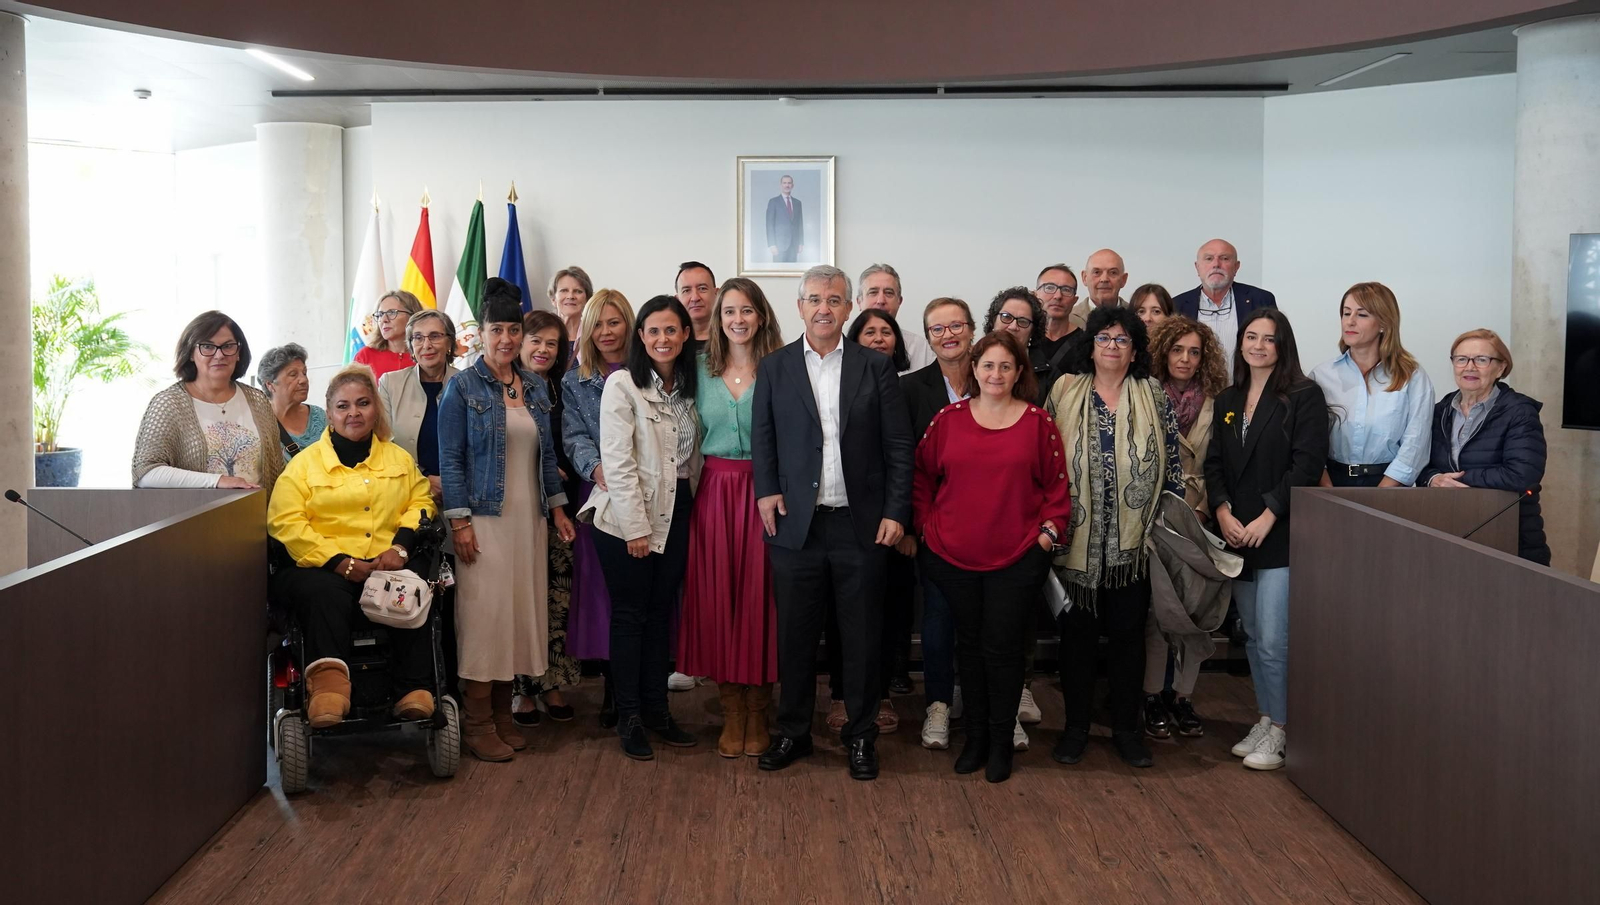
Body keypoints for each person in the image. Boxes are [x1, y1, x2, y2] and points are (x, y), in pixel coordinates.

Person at [752, 265, 914, 781]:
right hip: (795, 524)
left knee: (863, 637)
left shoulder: (875, 366)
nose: (825, 308)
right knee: (796, 636)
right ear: (799, 307)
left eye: (835, 300)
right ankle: (793, 732)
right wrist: (766, 490)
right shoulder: (774, 366)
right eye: (815, 299)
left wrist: (895, 511)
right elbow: (764, 437)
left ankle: (861, 737)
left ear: (849, 308)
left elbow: (898, 447)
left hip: (861, 525)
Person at [915, 331, 1070, 782]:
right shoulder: (948, 419)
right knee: (970, 650)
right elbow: (922, 478)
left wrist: (1046, 535)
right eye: (988, 365)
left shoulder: (1038, 423)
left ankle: (1001, 742)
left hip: (1017, 558)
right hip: (952, 556)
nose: (996, 374)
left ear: (1019, 372)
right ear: (974, 370)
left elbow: (1057, 491)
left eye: (1006, 366)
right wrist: (925, 526)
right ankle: (976, 738)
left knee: (1003, 651)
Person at [438, 281, 577, 763]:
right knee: (483, 620)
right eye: (497, 330)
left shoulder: (534, 386)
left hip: (528, 522)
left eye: (513, 330)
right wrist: (459, 524)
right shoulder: (461, 386)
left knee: (514, 618)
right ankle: (476, 724)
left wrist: (558, 508)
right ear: (481, 333)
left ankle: (499, 716)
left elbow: (545, 458)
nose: (506, 340)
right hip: (482, 520)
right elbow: (450, 459)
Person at [1046, 305, 1183, 769]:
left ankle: (1127, 730)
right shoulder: (1064, 389)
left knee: (1129, 639)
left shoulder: (1153, 393)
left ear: (1135, 349)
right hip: (1074, 544)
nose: (1111, 346)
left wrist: (1160, 528)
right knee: (1077, 642)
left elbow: (1174, 469)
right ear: (1090, 345)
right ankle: (1076, 729)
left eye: (1121, 339)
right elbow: (1045, 462)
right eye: (1103, 338)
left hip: (1135, 548)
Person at [267, 365, 437, 728]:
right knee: (323, 591)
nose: (353, 413)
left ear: (376, 408)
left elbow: (420, 501)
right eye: (343, 406)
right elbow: (285, 522)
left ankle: (413, 688)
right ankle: (329, 689)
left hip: (387, 563)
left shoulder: (398, 459)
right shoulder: (303, 466)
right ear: (328, 413)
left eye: (362, 404)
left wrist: (401, 550)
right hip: (321, 569)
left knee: (411, 583)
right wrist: (338, 562)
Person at [578, 295, 703, 761]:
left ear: (685, 335)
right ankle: (629, 716)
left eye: (671, 330)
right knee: (631, 616)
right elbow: (619, 462)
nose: (662, 339)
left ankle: (657, 710)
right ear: (641, 337)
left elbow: (691, 458)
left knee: (660, 613)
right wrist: (636, 529)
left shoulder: (692, 385)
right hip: (625, 519)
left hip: (678, 511)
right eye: (652, 331)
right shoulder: (622, 384)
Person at [1204, 308, 1329, 771]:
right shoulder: (1228, 397)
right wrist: (1221, 510)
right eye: (1250, 336)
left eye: (1268, 339)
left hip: (1278, 533)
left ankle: (1281, 728)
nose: (1257, 345)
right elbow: (1214, 463)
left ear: (1284, 345)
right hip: (1236, 532)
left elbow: (1306, 463)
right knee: (1253, 637)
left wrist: (1268, 515)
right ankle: (1265, 716)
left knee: (1275, 639)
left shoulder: (1303, 396)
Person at [679, 278, 784, 758]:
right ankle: (731, 710)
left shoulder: (784, 368)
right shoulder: (697, 370)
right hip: (715, 494)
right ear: (717, 320)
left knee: (764, 602)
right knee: (718, 598)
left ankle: (759, 710)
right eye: (728, 312)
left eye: (746, 311)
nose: (737, 320)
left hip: (769, 495)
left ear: (761, 315)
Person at [1142, 316, 1229, 739]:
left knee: (1195, 610)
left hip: (1201, 514)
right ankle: (1152, 694)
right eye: (1177, 350)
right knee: (1159, 612)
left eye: (1194, 351)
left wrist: (1206, 508)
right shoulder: (1145, 393)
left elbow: (1222, 461)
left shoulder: (1217, 399)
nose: (1186, 359)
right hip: (1158, 516)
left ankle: (1184, 696)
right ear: (1163, 352)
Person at [899, 298, 973, 750]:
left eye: (956, 326)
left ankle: (985, 703)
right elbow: (902, 463)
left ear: (970, 329)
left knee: (985, 621)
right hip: (934, 528)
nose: (948, 335)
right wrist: (910, 526)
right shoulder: (911, 390)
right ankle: (939, 704)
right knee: (939, 616)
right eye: (937, 329)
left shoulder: (995, 379)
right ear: (927, 338)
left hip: (991, 527)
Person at [562, 289, 636, 726]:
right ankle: (614, 688)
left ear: (628, 323)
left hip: (648, 496)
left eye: (614, 322)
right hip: (599, 497)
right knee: (604, 595)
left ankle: (644, 684)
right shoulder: (577, 378)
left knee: (639, 592)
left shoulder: (650, 370)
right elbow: (573, 436)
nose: (606, 332)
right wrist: (597, 469)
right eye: (597, 325)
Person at [1417, 329, 1550, 565]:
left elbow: (1523, 475)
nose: (1469, 367)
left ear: (1500, 368)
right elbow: (1421, 465)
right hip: (1450, 530)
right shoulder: (1440, 411)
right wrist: (1434, 479)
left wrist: (1459, 480)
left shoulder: (1519, 411)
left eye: (1481, 360)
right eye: (1461, 359)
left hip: (1510, 535)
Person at [511, 310, 583, 724]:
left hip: (562, 507)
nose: (543, 349)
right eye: (535, 340)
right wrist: (540, 463)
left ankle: (553, 685)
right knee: (523, 596)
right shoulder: (502, 387)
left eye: (552, 343)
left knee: (556, 596)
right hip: (517, 505)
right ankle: (522, 691)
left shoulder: (564, 387)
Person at [133, 310, 282, 493]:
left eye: (228, 346)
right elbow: (145, 473)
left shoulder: (258, 401)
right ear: (190, 353)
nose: (219, 355)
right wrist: (217, 481)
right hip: (197, 518)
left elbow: (277, 471)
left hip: (257, 515)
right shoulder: (169, 404)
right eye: (207, 346)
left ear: (238, 353)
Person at [1310, 282, 1434, 488]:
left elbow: (1415, 444)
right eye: (1346, 313)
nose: (1349, 322)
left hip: (1389, 484)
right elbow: (1310, 441)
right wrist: (1327, 490)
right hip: (1330, 482)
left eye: (1362, 315)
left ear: (1384, 323)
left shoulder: (1412, 377)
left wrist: (1381, 494)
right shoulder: (1321, 375)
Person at [377, 309, 460, 503]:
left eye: (435, 336)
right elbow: (383, 444)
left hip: (460, 494)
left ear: (449, 342)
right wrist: (424, 478)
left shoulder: (468, 383)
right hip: (406, 494)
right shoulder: (390, 384)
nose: (426, 345)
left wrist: (452, 482)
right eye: (418, 338)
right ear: (411, 346)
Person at [1171, 239, 1277, 366]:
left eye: (1224, 258)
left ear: (1236, 267)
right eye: (1209, 259)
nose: (1216, 264)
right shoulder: (1177, 305)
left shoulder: (1261, 300)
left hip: (1249, 385)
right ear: (1197, 267)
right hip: (1196, 385)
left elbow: (1276, 348)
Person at [857, 263, 935, 371]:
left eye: (888, 293)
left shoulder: (920, 348)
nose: (881, 300)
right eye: (873, 292)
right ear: (859, 301)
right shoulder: (844, 347)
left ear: (899, 301)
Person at [983, 286, 1054, 402]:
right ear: (993, 321)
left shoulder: (1048, 375)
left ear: (1033, 331)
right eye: (1006, 317)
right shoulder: (972, 361)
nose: (1013, 327)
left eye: (1023, 321)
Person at [257, 343, 326, 460]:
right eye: (293, 375)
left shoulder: (320, 417)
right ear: (270, 385)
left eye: (304, 373)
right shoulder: (259, 424)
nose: (304, 380)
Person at [355, 290, 422, 379]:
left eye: (392, 313)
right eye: (380, 314)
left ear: (412, 316)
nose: (384, 320)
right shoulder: (365, 356)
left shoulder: (425, 354)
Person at [1067, 248, 1130, 331]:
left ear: (1123, 279)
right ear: (1084, 278)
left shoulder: (1137, 315)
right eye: (1097, 272)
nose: (1104, 279)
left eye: (1113, 272)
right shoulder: (1068, 319)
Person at [1035, 263, 1081, 365]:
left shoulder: (1085, 344)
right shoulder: (1025, 338)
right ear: (1035, 294)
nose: (1058, 296)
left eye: (1066, 290)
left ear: (1075, 300)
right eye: (1049, 288)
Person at [549, 265, 594, 362]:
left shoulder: (594, 334)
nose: (570, 296)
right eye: (564, 290)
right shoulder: (543, 333)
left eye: (578, 291)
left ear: (587, 299)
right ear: (553, 299)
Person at [847, 308, 911, 373]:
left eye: (886, 333)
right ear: (856, 340)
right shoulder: (842, 376)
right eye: (870, 333)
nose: (879, 339)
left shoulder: (906, 381)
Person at [675, 261, 717, 350]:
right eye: (686, 291)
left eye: (702, 289)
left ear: (716, 293)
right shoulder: (671, 341)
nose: (695, 298)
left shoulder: (733, 336)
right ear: (677, 299)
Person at [765, 174, 803, 263]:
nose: (787, 185)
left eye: (789, 183)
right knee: (778, 272)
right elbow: (769, 224)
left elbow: (800, 224)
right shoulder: (773, 202)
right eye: (784, 183)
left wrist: (801, 243)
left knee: (793, 271)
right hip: (779, 245)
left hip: (794, 244)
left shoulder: (798, 203)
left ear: (792, 185)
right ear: (781, 185)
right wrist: (771, 244)